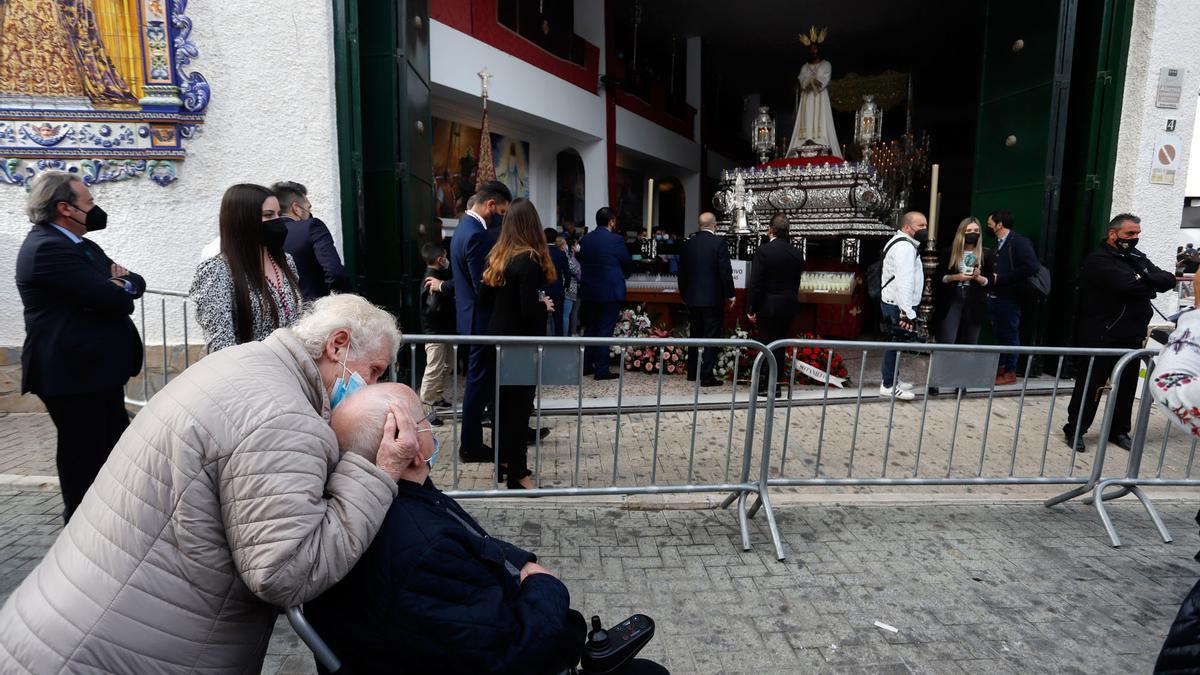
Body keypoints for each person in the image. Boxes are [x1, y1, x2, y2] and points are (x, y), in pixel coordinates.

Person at [0, 294, 410, 673]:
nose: (371, 386)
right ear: (337, 345)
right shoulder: (285, 418)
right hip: (109, 652)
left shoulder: (248, 365)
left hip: (72, 625)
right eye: (373, 370)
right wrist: (375, 471)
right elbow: (287, 570)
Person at [306, 384, 667, 675]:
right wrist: (545, 586)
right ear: (408, 445)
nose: (432, 426)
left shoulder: (375, 504)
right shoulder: (422, 547)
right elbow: (510, 651)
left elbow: (473, 538)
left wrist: (522, 562)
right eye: (425, 420)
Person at [14, 170, 145, 522]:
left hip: (95, 373)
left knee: (115, 449)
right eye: (88, 203)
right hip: (71, 375)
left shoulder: (81, 245)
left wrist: (122, 284)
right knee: (83, 457)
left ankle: (113, 523)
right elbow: (110, 297)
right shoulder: (46, 249)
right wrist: (116, 286)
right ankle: (80, 528)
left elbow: (134, 282)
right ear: (65, 208)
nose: (95, 208)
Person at [1062, 213, 1175, 453]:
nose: (1134, 238)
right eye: (1129, 234)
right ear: (1113, 234)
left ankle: (1119, 431)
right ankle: (1075, 429)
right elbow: (1128, 286)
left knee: (1126, 387)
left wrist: (1145, 280)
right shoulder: (1099, 259)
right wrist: (1148, 283)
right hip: (1102, 334)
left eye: (1137, 234)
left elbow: (1167, 278)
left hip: (1132, 334)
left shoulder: (1136, 257)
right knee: (1091, 386)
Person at [480, 199, 557, 490]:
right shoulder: (528, 259)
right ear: (533, 225)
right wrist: (544, 306)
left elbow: (485, 302)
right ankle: (518, 473)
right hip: (520, 344)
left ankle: (502, 461)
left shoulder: (497, 256)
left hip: (496, 338)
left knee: (500, 406)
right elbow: (527, 311)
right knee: (519, 408)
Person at [190, 184, 304, 353]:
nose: (277, 220)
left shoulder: (286, 261)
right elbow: (221, 344)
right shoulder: (217, 270)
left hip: (290, 370)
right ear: (243, 219)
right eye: (268, 214)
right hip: (250, 372)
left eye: (279, 214)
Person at [450, 181, 512, 462]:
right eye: (501, 211)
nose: (501, 217)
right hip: (481, 322)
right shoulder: (476, 235)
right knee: (477, 386)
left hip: (471, 319)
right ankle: (471, 445)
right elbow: (482, 286)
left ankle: (475, 442)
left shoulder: (463, 228)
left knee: (481, 384)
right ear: (490, 205)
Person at [746, 213, 805, 397]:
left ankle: (765, 384)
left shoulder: (763, 251)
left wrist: (751, 308)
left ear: (770, 229)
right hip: (787, 304)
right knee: (780, 345)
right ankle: (776, 384)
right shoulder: (796, 253)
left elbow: (756, 283)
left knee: (766, 345)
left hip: (767, 305)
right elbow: (796, 282)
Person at [678, 212, 736, 387]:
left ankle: (692, 372)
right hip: (712, 299)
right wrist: (730, 294)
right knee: (711, 337)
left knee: (695, 335)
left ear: (699, 225)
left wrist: (684, 294)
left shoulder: (689, 244)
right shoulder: (719, 243)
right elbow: (725, 271)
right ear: (715, 225)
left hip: (693, 299)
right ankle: (706, 376)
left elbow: (682, 272)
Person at [578, 207, 634, 380]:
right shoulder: (615, 239)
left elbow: (582, 261)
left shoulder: (586, 240)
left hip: (589, 290)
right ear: (611, 221)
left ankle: (586, 365)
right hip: (610, 290)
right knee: (604, 330)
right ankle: (601, 370)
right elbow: (627, 262)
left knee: (591, 328)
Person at [986, 208, 1039, 385]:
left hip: (1010, 295)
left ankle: (1010, 371)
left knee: (1010, 332)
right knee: (1001, 333)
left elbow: (1031, 267)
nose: (989, 227)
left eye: (991, 224)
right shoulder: (999, 244)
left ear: (999, 224)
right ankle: (1001, 368)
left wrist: (1002, 278)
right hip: (997, 295)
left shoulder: (1018, 242)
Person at [273, 180, 351, 300]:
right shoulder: (312, 226)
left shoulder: (260, 234)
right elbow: (335, 272)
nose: (309, 212)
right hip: (313, 310)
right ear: (296, 208)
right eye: (308, 207)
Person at [879, 211, 928, 401]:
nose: (925, 229)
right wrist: (907, 313)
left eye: (925, 225)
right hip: (898, 306)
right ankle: (889, 385)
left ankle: (892, 379)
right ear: (907, 227)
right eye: (921, 226)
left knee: (895, 343)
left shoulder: (902, 243)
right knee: (895, 343)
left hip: (894, 303)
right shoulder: (905, 248)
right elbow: (904, 282)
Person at [935, 216, 993, 345]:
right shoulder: (949, 252)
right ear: (962, 232)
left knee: (971, 340)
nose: (973, 233)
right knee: (948, 338)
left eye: (976, 230)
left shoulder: (986, 253)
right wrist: (955, 277)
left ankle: (968, 364)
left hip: (975, 299)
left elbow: (990, 281)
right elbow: (939, 277)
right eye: (969, 230)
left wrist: (979, 278)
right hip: (953, 297)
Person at [419, 241, 455, 424]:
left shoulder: (439, 274)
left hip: (442, 329)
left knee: (447, 364)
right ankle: (425, 407)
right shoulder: (431, 278)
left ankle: (437, 396)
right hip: (435, 331)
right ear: (441, 259)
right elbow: (433, 306)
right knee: (434, 368)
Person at [544, 227, 569, 337]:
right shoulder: (561, 254)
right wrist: (566, 286)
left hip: (543, 290)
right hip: (558, 289)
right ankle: (559, 343)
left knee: (542, 319)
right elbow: (567, 273)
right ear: (555, 239)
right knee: (558, 318)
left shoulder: (540, 253)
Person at [561, 232, 582, 336]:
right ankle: (565, 336)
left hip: (573, 288)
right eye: (576, 244)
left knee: (571, 312)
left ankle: (570, 333)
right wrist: (579, 269)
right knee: (566, 314)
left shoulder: (572, 256)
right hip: (569, 288)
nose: (578, 246)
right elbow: (574, 269)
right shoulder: (568, 257)